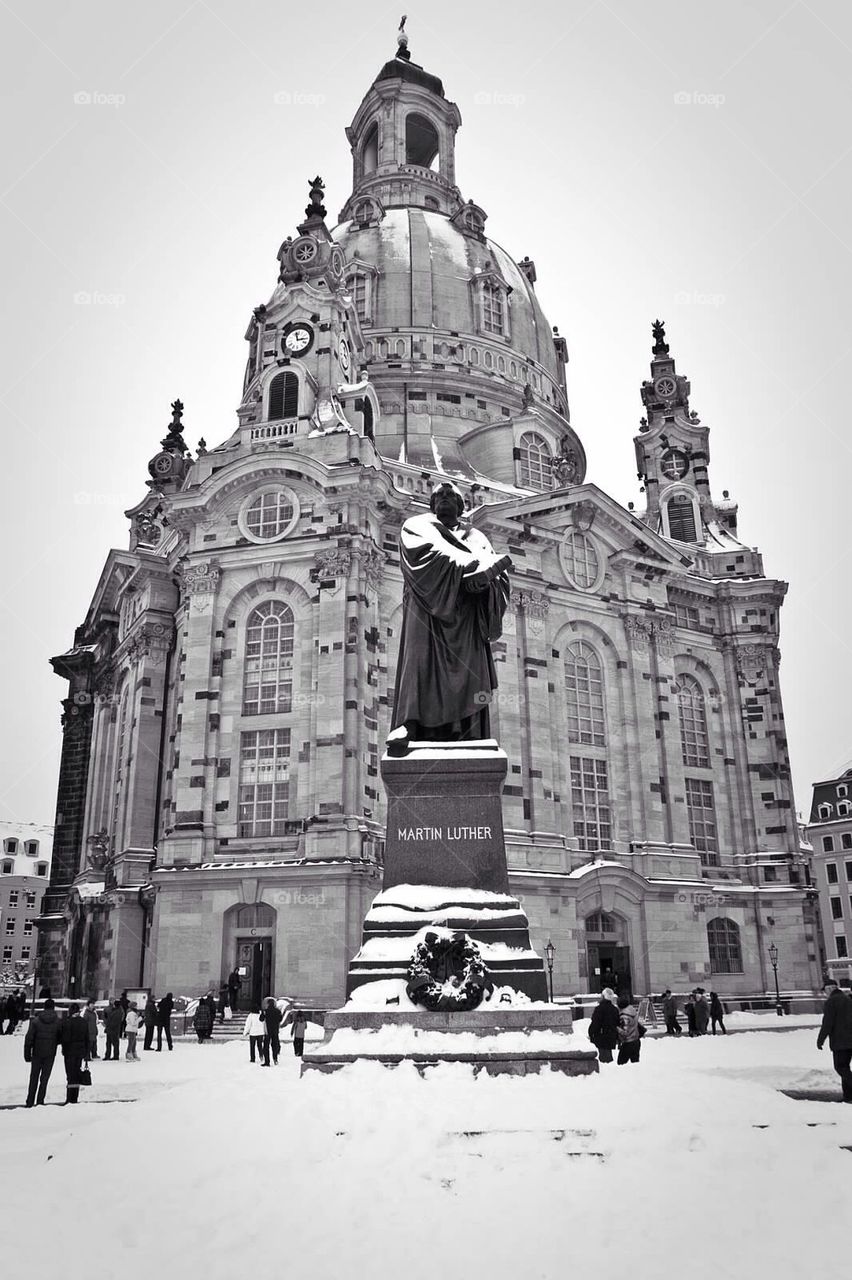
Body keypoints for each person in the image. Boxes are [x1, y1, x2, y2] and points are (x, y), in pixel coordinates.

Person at [387, 481, 512, 753]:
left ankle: (468, 731)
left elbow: (496, 572)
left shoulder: (477, 536)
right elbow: (423, 555)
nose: (444, 498)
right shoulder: (417, 525)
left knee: (469, 673)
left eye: (450, 495)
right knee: (418, 662)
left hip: (466, 618)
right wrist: (470, 567)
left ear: (461, 505)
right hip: (426, 610)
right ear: (431, 504)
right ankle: (410, 723)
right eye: (439, 495)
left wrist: (488, 581)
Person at [816, 978, 852, 1102]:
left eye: (825, 990)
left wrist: (820, 1040)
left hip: (840, 1041)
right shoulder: (848, 999)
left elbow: (827, 1023)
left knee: (841, 1067)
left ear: (830, 988)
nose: (825, 993)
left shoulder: (831, 1002)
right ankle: (848, 1096)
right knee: (845, 1068)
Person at [24, 998, 61, 1107]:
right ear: (53, 1007)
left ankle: (30, 1101)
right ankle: (40, 1100)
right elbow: (60, 1037)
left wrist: (27, 1054)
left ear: (44, 1007)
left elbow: (29, 1038)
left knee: (34, 1077)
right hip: (50, 1053)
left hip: (37, 1052)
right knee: (44, 1079)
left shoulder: (36, 1021)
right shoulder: (57, 1021)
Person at [60, 1004, 90, 1104]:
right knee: (77, 1073)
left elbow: (65, 1038)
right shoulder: (83, 1022)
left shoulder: (67, 1022)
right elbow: (87, 1038)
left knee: (70, 1075)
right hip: (80, 1051)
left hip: (69, 1052)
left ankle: (69, 1098)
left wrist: (64, 1048)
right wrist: (86, 1052)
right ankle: (75, 1097)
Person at [588, 989, 620, 1064]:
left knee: (603, 1057)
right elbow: (618, 1023)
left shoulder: (599, 1009)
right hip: (611, 1036)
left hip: (601, 1036)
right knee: (608, 1055)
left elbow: (595, 1023)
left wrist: (591, 1033)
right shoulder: (615, 1009)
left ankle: (606, 1072)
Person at [617, 996, 644, 1065]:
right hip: (636, 1040)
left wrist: (616, 1028)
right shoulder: (632, 1011)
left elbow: (625, 1032)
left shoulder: (624, 1016)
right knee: (635, 1063)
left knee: (621, 1063)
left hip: (628, 1042)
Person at [263, 997, 283, 1066]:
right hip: (275, 1030)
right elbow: (280, 1019)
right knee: (274, 1045)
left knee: (266, 1046)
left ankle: (267, 1061)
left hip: (267, 1031)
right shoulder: (278, 1011)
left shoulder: (266, 1011)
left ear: (268, 1004)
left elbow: (261, 1019)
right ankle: (275, 1059)